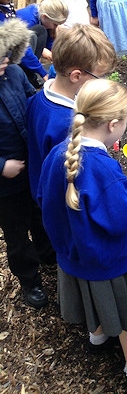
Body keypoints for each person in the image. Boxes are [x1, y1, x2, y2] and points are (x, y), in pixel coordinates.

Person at [38, 79, 127, 393]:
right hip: (107, 262)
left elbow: (43, 199)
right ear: (113, 125)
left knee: (90, 301)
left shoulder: (59, 154)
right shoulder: (101, 167)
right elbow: (121, 218)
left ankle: (96, 338)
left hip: (72, 258)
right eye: (125, 124)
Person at [26, 24, 117, 202]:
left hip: (39, 190)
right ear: (76, 76)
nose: (103, 82)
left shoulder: (39, 98)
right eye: (100, 76)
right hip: (58, 205)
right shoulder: (68, 124)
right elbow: (73, 177)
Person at [0, 18, 55, 309]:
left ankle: (48, 254)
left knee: (39, 214)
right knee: (17, 231)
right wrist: (1, 166)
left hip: (31, 167)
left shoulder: (13, 74)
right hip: (5, 184)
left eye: (5, 58)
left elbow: (31, 102)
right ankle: (29, 279)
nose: (3, 64)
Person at [0, 0, 49, 88]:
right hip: (6, 62)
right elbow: (22, 48)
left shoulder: (6, 7)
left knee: (39, 31)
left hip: (14, 53)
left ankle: (29, 74)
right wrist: (43, 73)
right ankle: (25, 77)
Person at [16, 0, 68, 64]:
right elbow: (24, 47)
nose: (56, 27)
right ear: (44, 17)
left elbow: (49, 37)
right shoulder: (29, 21)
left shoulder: (45, 20)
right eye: (55, 24)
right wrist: (43, 50)